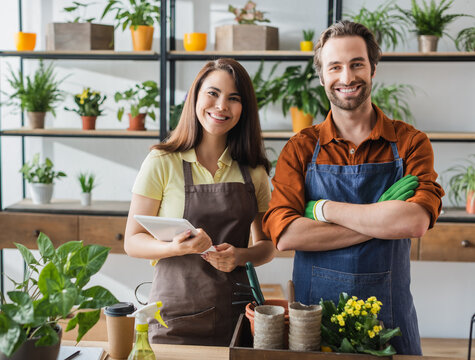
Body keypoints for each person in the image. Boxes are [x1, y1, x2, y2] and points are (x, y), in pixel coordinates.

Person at [263, 21, 444, 355]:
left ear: (373, 68)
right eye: (335, 67)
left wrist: (322, 209)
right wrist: (380, 222)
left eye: (356, 64)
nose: (346, 77)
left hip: (390, 319)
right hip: (313, 322)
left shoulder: (410, 144)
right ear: (321, 76)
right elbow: (286, 234)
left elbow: (414, 222)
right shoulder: (301, 149)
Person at [125, 58, 275, 346]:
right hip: (174, 317)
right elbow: (132, 242)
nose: (221, 106)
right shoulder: (162, 161)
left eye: (234, 98)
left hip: (237, 317)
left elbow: (267, 247)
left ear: (244, 109)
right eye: (213, 93)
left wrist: (239, 256)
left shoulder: (253, 170)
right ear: (195, 96)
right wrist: (174, 247)